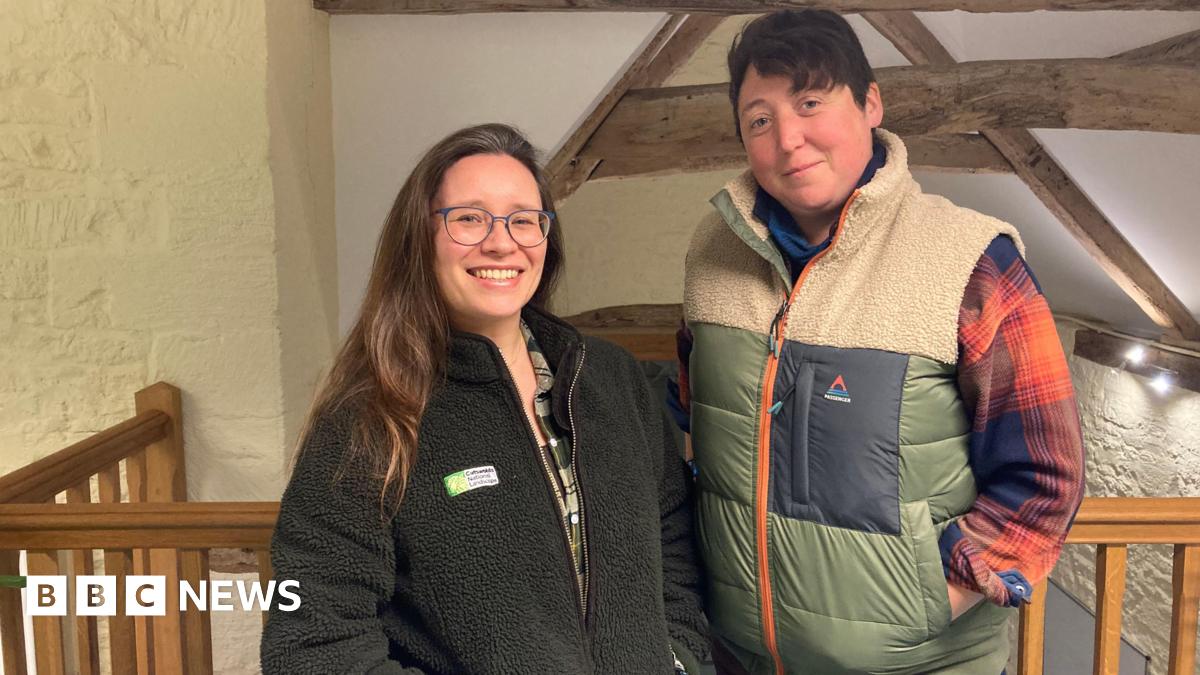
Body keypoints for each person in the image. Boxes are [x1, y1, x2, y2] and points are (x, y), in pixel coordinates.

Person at [671, 10, 1085, 674]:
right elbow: (700, 416)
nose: (788, 139)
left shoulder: (971, 261)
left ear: (870, 104)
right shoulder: (711, 251)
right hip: (738, 657)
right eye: (759, 120)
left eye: (810, 103)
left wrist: (928, 601)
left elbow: (1045, 479)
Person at [261, 123, 708, 674]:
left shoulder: (612, 379)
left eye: (523, 219)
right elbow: (314, 645)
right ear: (420, 238)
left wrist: (680, 659)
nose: (501, 242)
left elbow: (673, 539)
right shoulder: (369, 419)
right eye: (469, 218)